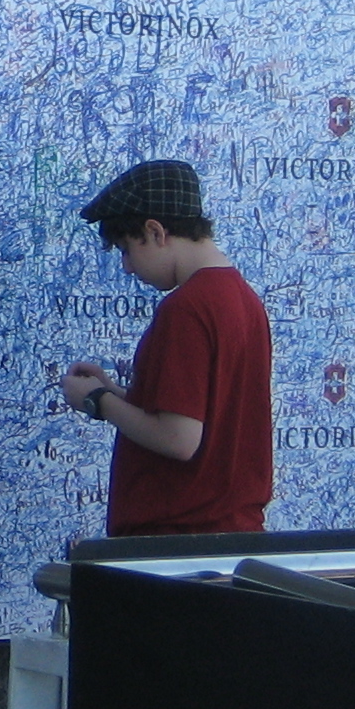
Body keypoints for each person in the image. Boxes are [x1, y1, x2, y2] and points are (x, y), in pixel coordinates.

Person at [59, 159, 276, 537]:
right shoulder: (243, 299)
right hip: (233, 536)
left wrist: (97, 401)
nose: (127, 267)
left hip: (178, 548)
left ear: (155, 231)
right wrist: (116, 392)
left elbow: (179, 439)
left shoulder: (187, 308)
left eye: (127, 249)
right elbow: (203, 419)